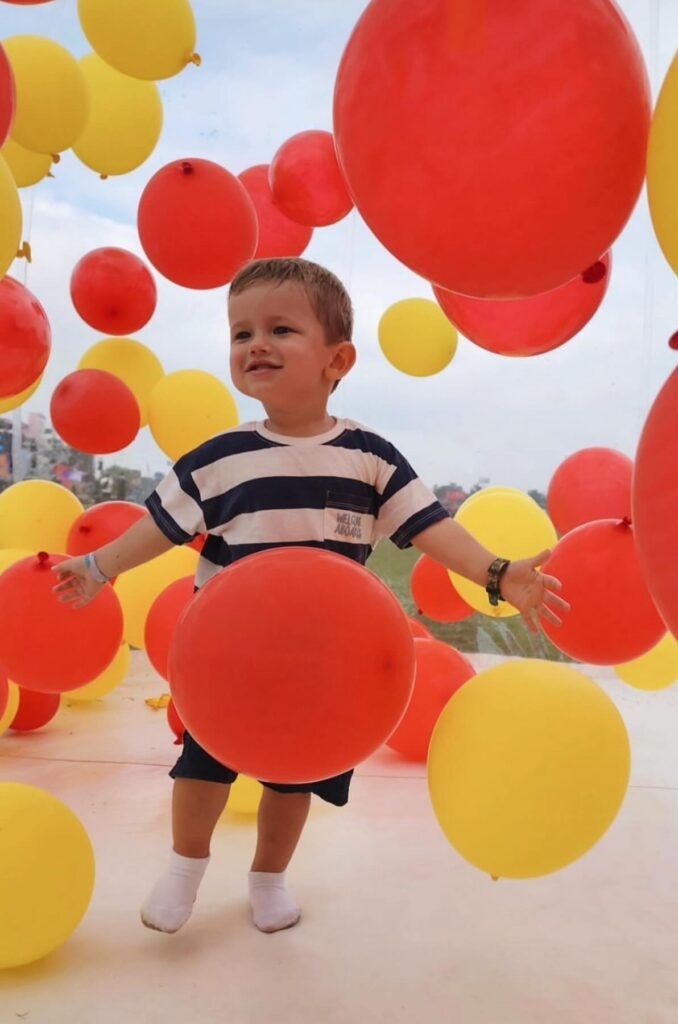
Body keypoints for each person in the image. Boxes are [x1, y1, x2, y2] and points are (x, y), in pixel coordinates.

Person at [53, 257, 569, 936]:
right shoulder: (217, 459)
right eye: (240, 334)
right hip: (225, 657)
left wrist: (497, 574)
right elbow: (160, 528)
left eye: (280, 329)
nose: (255, 344)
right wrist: (97, 567)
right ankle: (184, 868)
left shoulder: (370, 458)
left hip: (322, 663)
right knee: (201, 767)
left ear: (337, 359)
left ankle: (268, 877)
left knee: (290, 778)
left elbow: (432, 528)